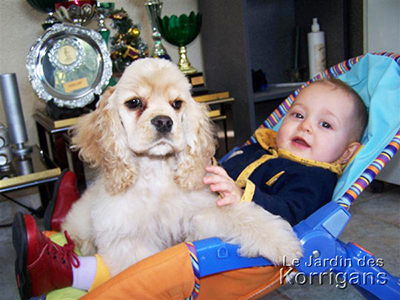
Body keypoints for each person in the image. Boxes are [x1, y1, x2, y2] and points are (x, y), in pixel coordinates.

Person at [13, 78, 368, 300]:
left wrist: (243, 194)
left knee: (148, 259)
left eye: (324, 124)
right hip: (195, 203)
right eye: (298, 115)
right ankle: (66, 223)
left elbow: (293, 210)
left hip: (220, 233)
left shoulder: (314, 177)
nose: (305, 127)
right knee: (128, 201)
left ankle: (66, 269)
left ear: (348, 151)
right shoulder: (261, 148)